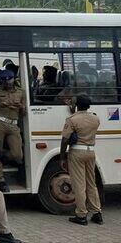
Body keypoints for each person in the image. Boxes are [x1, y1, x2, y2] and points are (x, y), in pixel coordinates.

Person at [61, 93, 102, 226]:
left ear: (77, 105)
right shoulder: (95, 119)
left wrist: (62, 156)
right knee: (91, 183)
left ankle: (81, 215)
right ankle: (97, 213)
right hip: (91, 151)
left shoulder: (72, 119)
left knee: (79, 185)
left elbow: (65, 139)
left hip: (77, 152)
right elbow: (83, 121)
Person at [0, 70, 25, 164]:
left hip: (13, 124)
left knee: (17, 155)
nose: (7, 82)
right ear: (1, 80)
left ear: (13, 79)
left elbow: (24, 113)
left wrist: (21, 106)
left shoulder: (21, 92)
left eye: (9, 79)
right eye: (4, 80)